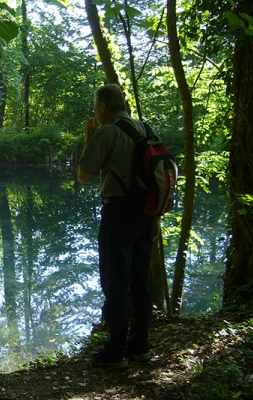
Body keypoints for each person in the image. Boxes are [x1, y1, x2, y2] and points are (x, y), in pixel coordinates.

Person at [77, 84, 157, 369]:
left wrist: (90, 138)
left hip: (119, 213)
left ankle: (115, 351)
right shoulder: (144, 128)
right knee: (141, 280)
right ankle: (140, 346)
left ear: (102, 107)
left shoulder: (107, 131)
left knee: (115, 281)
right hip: (148, 214)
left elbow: (84, 175)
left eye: (95, 109)